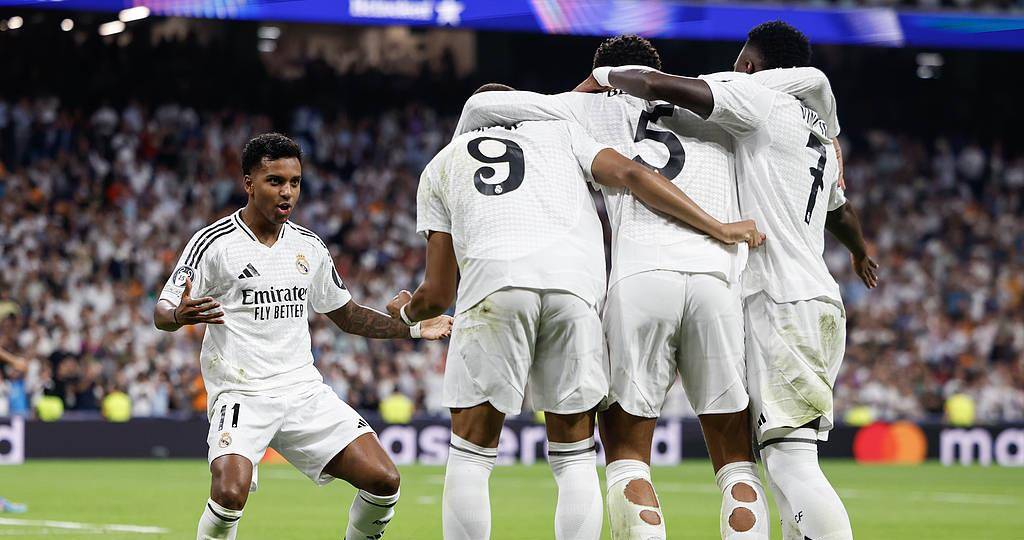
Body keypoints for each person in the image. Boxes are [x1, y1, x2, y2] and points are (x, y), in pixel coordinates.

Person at [455, 35, 834, 540]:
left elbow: (481, 107)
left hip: (640, 281)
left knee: (628, 460)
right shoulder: (718, 101)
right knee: (736, 466)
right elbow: (798, 98)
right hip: (718, 283)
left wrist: (585, 89)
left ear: (606, 76)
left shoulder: (585, 110)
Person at [388, 84, 762, 540]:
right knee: (574, 459)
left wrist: (407, 314)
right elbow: (631, 173)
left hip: (494, 286)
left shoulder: (443, 162)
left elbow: (437, 293)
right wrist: (717, 226)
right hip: (574, 292)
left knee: (471, 455)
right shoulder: (561, 133)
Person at [588, 21, 879, 540]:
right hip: (814, 295)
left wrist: (603, 74)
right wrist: (859, 251)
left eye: (739, 62)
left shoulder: (757, 98)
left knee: (792, 464)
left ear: (748, 64)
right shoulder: (818, 130)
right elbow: (841, 211)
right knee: (773, 462)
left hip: (780, 299)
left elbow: (654, 85)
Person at [153, 133, 453, 540]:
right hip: (242, 392)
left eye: (294, 182)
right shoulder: (215, 243)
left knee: (384, 480)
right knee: (229, 494)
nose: (287, 192)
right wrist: (177, 315)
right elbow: (162, 311)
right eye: (275, 181)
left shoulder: (308, 246)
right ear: (249, 184)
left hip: (303, 391)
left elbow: (347, 316)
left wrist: (413, 327)